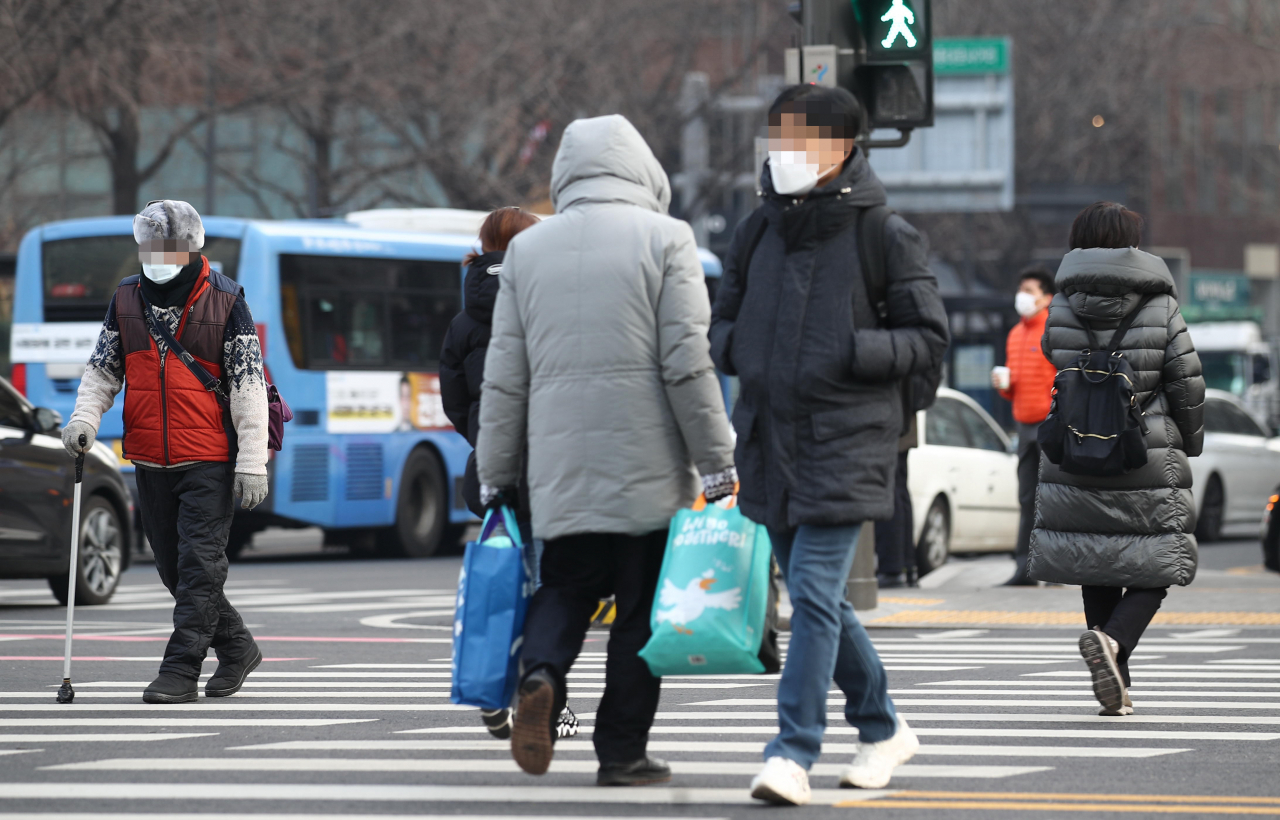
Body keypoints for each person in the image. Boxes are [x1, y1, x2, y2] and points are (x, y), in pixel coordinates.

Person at [477, 114, 737, 787]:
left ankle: (540, 674)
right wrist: (717, 459)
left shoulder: (528, 252)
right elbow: (687, 364)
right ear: (641, 170)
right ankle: (621, 752)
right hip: (650, 471)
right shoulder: (667, 239)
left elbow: (505, 375)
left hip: (560, 470)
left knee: (565, 586)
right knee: (641, 612)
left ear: (568, 173)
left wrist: (496, 472)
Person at [710, 85, 950, 805]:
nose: (785, 154)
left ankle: (792, 752)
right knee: (824, 604)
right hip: (769, 442)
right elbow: (722, 326)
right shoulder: (755, 232)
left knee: (811, 595)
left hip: (847, 440)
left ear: (843, 148)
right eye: (778, 138)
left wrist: (851, 352)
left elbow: (928, 339)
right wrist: (741, 351)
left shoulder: (885, 234)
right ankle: (882, 726)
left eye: (801, 141)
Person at [62, 199, 268, 704]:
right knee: (173, 568)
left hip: (209, 459)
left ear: (190, 246)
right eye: (149, 244)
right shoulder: (127, 298)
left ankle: (180, 670)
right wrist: (85, 419)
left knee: (200, 564)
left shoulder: (225, 300)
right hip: (150, 459)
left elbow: (248, 386)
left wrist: (251, 462)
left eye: (167, 245)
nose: (156, 255)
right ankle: (237, 646)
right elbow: (103, 370)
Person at [1028, 202, 1204, 717]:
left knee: (1094, 558)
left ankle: (1116, 681)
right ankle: (1116, 642)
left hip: (1076, 446)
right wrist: (1187, 442)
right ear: (1131, 244)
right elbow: (1186, 380)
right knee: (1160, 565)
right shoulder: (1161, 306)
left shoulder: (1059, 305)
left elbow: (1056, 362)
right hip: (1144, 448)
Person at [438, 206, 578, 742]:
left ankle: (494, 689)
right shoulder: (551, 305)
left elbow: (454, 402)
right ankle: (545, 700)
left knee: (501, 583)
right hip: (550, 467)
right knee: (550, 587)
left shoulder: (463, 321)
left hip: (495, 472)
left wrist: (487, 443)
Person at [994, 265, 1058, 586]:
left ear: (1046, 297)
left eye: (1029, 290)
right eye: (1021, 289)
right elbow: (1015, 386)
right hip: (1023, 423)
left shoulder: (1054, 329)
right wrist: (1004, 386)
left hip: (1049, 424)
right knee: (1026, 497)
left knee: (1054, 499)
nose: (1023, 296)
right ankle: (1025, 568)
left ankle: (1056, 567)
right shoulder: (1015, 333)